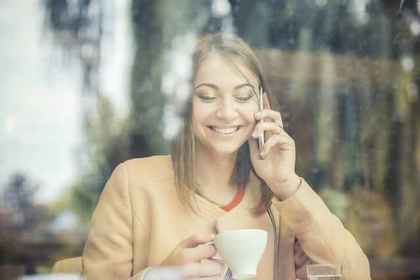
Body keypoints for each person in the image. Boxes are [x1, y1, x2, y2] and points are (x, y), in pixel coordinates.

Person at [81, 33, 371, 280]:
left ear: (263, 104)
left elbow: (355, 274)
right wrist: (163, 275)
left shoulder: (280, 203)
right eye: (207, 96)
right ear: (185, 105)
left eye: (243, 96)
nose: (227, 112)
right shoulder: (132, 184)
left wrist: (286, 183)